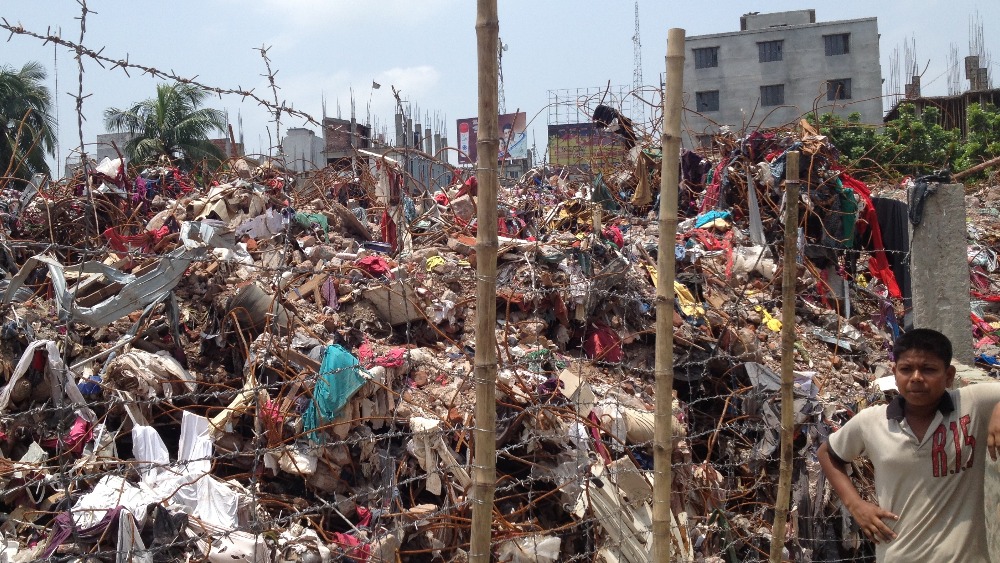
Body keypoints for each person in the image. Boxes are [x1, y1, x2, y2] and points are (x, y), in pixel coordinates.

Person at [818, 328, 1000, 562]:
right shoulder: (872, 421)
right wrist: (855, 505)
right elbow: (828, 453)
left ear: (949, 375)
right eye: (906, 369)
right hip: (898, 555)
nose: (916, 377)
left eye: (928, 369)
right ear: (895, 373)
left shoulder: (971, 404)